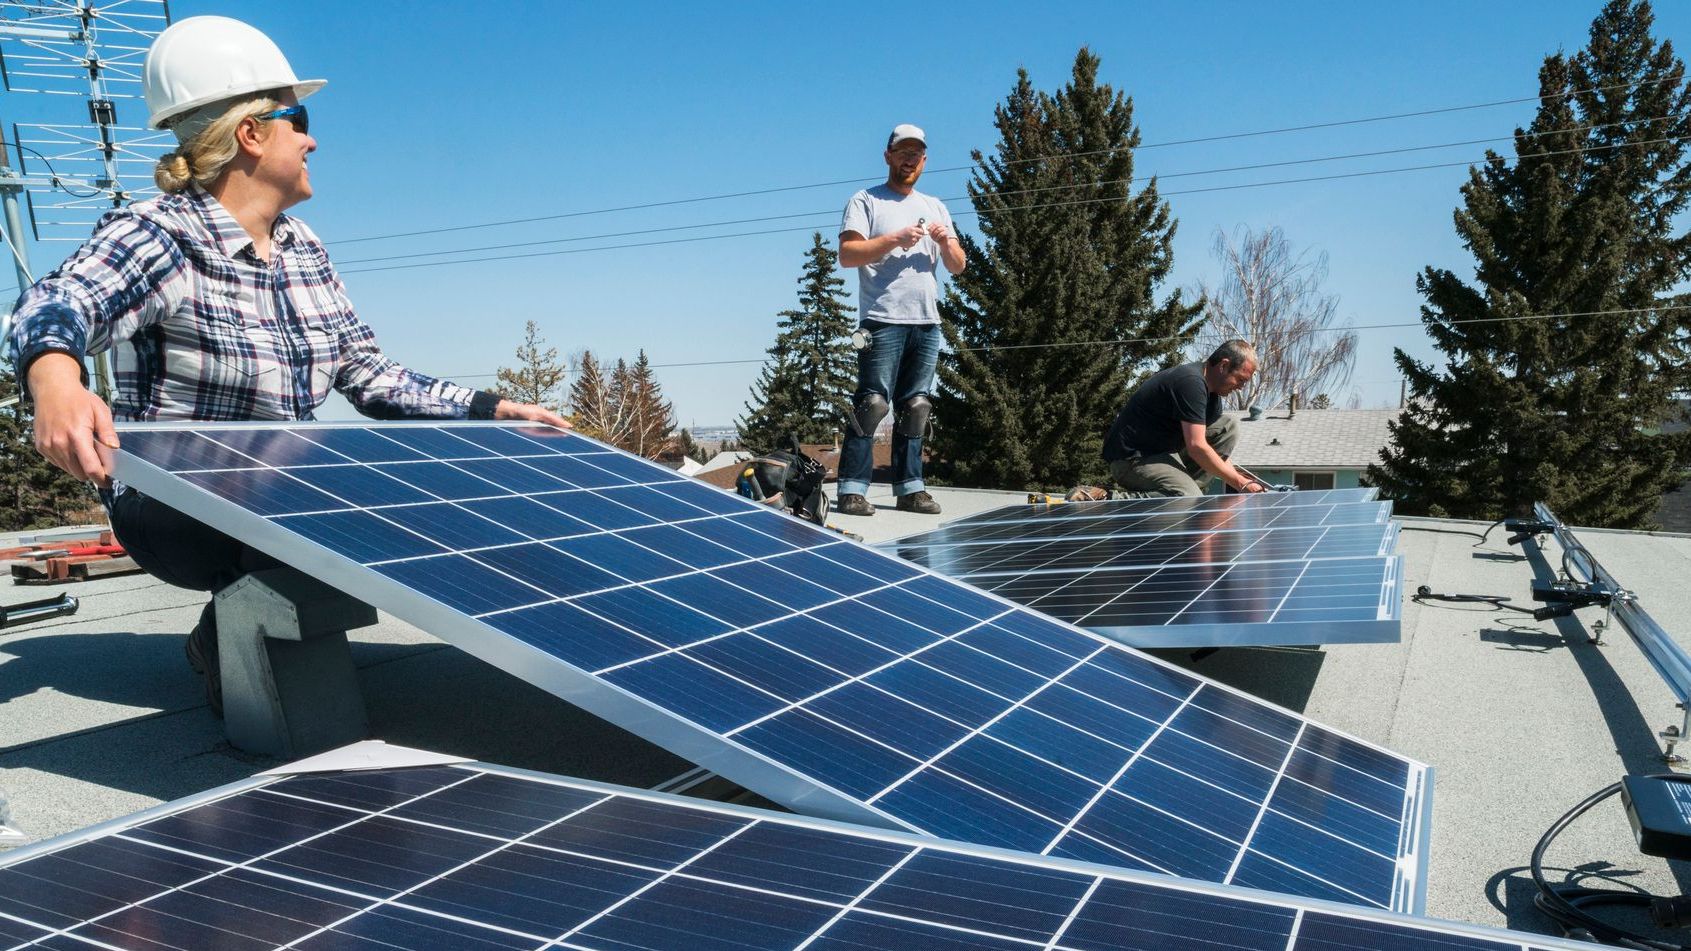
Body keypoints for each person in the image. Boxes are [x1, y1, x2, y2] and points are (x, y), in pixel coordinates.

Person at [4, 16, 569, 714]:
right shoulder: (160, 235)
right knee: (315, 494)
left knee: (398, 489)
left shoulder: (304, 248)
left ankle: (238, 625)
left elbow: (368, 373)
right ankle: (236, 652)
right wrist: (55, 377)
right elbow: (57, 298)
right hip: (170, 502)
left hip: (282, 488)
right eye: (297, 119)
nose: (312, 138)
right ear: (251, 132)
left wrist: (488, 411)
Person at [834, 123, 966, 517]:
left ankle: (910, 488)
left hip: (927, 322)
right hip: (882, 319)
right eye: (903, 151)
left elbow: (958, 266)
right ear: (888, 155)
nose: (909, 158)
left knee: (917, 407)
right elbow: (848, 254)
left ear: (924, 161)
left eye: (917, 153)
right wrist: (895, 239)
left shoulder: (936, 206)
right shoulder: (866, 201)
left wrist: (944, 243)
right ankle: (852, 489)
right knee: (872, 404)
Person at [1101, 340, 1266, 497]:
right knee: (1186, 497)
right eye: (1241, 380)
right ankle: (1106, 499)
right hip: (1132, 459)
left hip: (1164, 453)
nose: (1240, 387)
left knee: (1228, 426)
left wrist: (1244, 481)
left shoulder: (1213, 396)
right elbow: (1197, 447)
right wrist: (1240, 483)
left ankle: (1188, 494)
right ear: (1223, 365)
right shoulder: (1191, 383)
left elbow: (1211, 451)